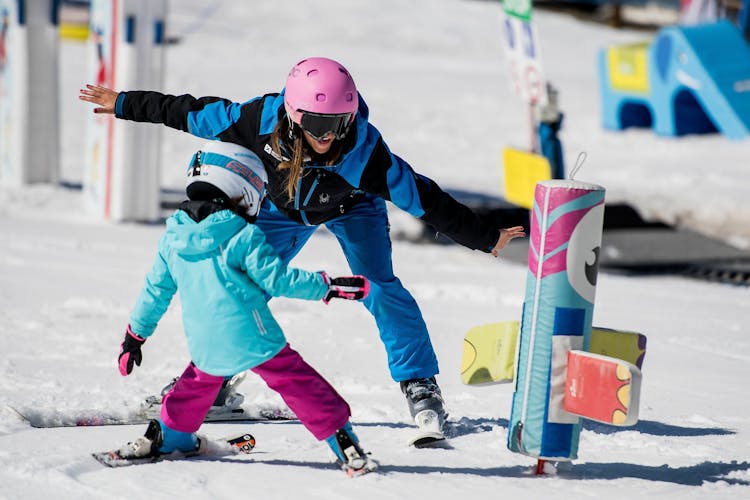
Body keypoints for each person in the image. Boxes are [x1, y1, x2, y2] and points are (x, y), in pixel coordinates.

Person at [80, 57, 526, 438]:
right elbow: (189, 112)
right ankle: (211, 383)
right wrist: (122, 103)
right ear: (293, 116)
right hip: (279, 209)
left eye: (337, 124)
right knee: (238, 288)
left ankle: (420, 385)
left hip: (354, 209)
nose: (327, 136)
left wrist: (484, 237)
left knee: (380, 287)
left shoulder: (366, 153)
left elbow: (425, 198)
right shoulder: (254, 120)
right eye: (316, 125)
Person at [115, 141, 376, 476]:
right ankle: (343, 441)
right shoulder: (242, 235)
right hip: (254, 336)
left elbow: (155, 292)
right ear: (243, 189)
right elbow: (279, 280)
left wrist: (134, 337)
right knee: (296, 382)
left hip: (205, 343)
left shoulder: (172, 239)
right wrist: (329, 286)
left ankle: (172, 437)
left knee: (195, 386)